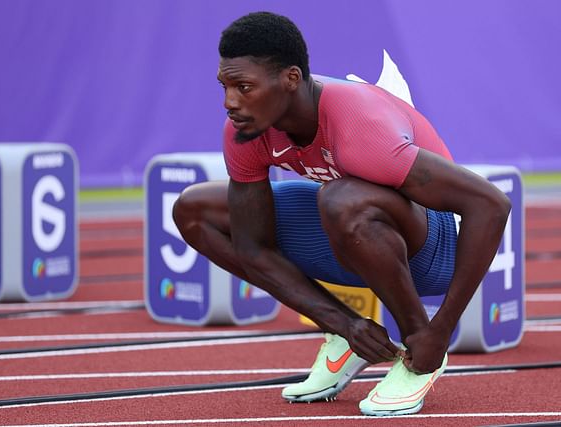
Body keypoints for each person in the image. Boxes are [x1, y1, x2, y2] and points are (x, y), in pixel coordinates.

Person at [173, 11, 511, 416]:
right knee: (194, 209)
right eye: (225, 86)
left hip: (434, 251)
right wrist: (344, 322)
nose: (230, 103)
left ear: (291, 79)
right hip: (354, 234)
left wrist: (441, 329)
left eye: (244, 87)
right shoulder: (246, 131)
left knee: (341, 198)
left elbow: (490, 203)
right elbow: (252, 247)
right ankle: (344, 340)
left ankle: (422, 351)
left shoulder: (359, 122)